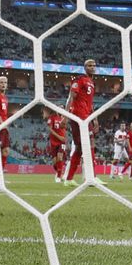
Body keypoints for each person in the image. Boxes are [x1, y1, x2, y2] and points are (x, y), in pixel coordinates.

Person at [64, 59, 97, 187]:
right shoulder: (80, 80)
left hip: (87, 117)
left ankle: (69, 179)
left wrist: (95, 119)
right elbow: (71, 97)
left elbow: (90, 104)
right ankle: (92, 177)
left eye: (94, 65)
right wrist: (65, 116)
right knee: (90, 143)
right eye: (89, 65)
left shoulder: (92, 82)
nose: (92, 67)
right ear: (84, 67)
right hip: (79, 116)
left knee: (79, 148)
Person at [47, 111, 67, 183]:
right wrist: (59, 137)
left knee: (60, 157)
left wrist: (64, 137)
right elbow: (50, 129)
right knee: (55, 162)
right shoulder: (52, 117)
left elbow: (65, 129)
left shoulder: (64, 118)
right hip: (54, 142)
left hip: (62, 142)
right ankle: (59, 172)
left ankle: (58, 177)